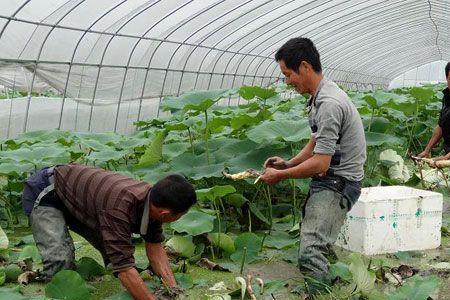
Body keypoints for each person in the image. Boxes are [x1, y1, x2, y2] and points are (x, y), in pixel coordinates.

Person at [260, 38, 366, 286]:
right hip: (329, 181)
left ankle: (322, 291)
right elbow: (314, 142)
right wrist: (288, 163)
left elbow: (320, 164)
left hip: (338, 184)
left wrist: (281, 176)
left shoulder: (329, 103)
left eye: (288, 75)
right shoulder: (321, 95)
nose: (287, 82)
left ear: (305, 67)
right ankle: (337, 285)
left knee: (310, 253)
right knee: (320, 245)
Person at [22, 164, 196, 300]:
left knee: (114, 252)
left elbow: (155, 247)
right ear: (165, 214)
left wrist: (172, 289)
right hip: (46, 191)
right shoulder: (119, 208)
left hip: (83, 200)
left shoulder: (152, 201)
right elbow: (125, 269)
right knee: (60, 261)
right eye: (182, 214)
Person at [417, 62, 450, 160]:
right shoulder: (447, 97)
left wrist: (444, 159)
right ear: (447, 78)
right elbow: (440, 126)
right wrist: (427, 150)